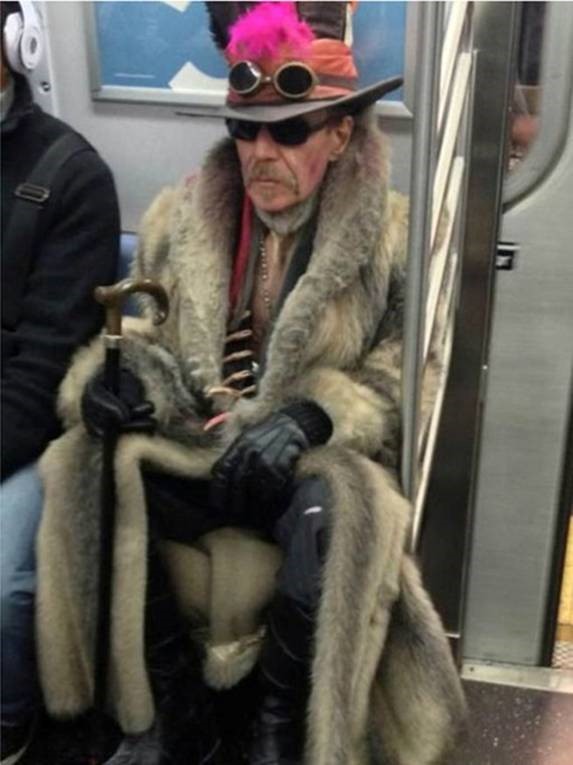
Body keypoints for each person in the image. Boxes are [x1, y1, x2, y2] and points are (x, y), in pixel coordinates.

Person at [35, 3, 465, 764]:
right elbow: (147, 332)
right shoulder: (180, 218)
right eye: (245, 129)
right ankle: (164, 712)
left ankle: (279, 723)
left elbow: (413, 372)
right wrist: (118, 379)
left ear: (339, 134)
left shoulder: (394, 238)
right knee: (85, 459)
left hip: (309, 461)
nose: (261, 152)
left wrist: (313, 416)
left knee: (334, 509)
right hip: (202, 441)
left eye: (290, 131)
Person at [0, 1, 120, 761]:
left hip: (20, 428)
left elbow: (43, 371)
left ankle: (8, 720)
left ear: (16, 42)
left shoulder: (70, 178)